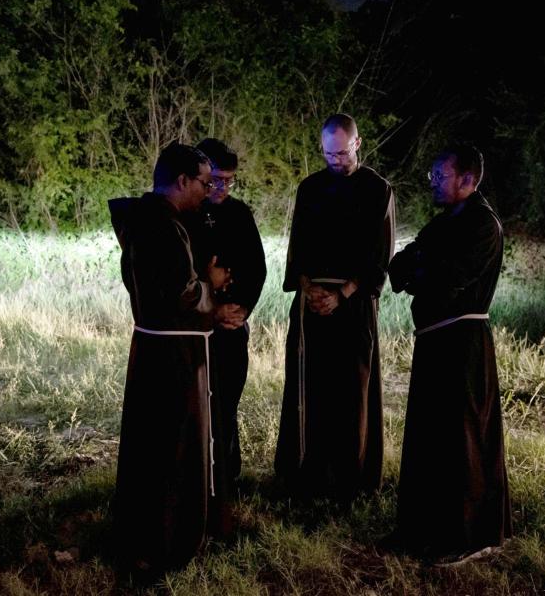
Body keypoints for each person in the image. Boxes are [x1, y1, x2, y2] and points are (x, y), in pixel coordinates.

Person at [108, 143, 231, 578]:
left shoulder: (142, 219)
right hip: (174, 354)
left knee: (151, 445)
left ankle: (144, 533)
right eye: (203, 182)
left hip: (152, 348)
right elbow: (182, 293)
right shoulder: (162, 224)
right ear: (181, 181)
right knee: (174, 447)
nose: (207, 191)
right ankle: (169, 539)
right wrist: (211, 287)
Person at [386, 145, 512, 561]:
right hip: (434, 341)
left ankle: (469, 536)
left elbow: (448, 278)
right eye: (434, 176)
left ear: (468, 180)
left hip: (464, 344)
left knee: (462, 441)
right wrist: (424, 265)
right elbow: (400, 266)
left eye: (441, 176)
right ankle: (424, 529)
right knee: (429, 437)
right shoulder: (446, 221)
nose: (434, 183)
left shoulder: (482, 224)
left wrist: (424, 266)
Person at [274, 113, 395, 501]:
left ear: (357, 144)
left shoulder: (378, 189)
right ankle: (305, 476)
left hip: (354, 305)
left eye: (341, 153)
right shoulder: (309, 188)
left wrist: (343, 293)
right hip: (312, 305)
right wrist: (309, 289)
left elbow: (380, 254)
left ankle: (351, 480)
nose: (335, 161)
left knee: (351, 392)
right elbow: (298, 248)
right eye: (328, 154)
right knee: (310, 388)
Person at [185, 138, 267, 488]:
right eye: (216, 179)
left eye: (229, 180)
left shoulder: (239, 214)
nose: (222, 188)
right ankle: (197, 475)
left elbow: (257, 269)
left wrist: (241, 311)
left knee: (227, 401)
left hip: (233, 326)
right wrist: (211, 308)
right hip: (197, 327)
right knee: (198, 403)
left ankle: (227, 475)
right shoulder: (187, 214)